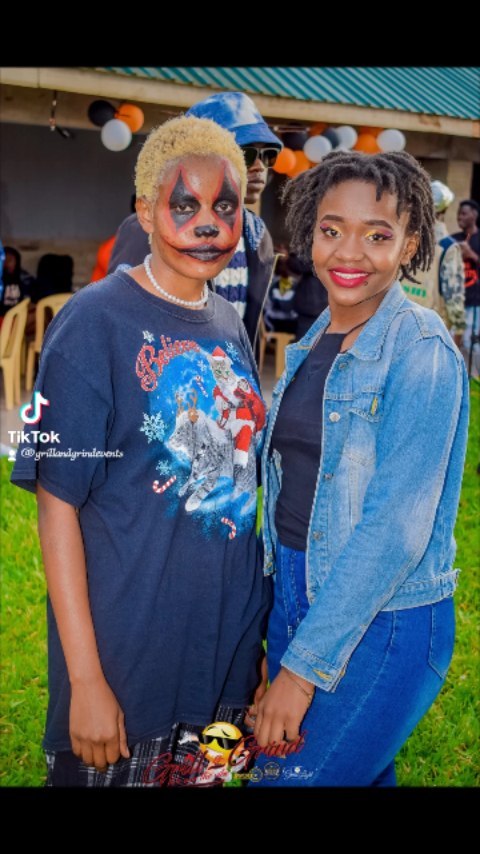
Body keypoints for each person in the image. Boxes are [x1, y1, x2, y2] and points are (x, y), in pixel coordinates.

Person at [10, 115, 271, 788]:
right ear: (146, 211)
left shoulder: (229, 324)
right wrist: (86, 679)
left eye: (225, 207)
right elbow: (56, 507)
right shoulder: (91, 322)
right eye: (185, 205)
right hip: (127, 671)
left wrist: (255, 645)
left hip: (224, 663)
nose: (207, 225)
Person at [248, 150, 469, 787]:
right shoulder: (315, 338)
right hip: (299, 600)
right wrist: (279, 630)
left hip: (384, 620)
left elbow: (395, 531)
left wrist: (300, 671)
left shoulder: (420, 350)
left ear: (410, 245)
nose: (349, 253)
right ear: (309, 234)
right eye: (331, 229)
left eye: (377, 235)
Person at [107, 92, 282, 348]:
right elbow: (117, 319)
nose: (259, 166)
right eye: (245, 153)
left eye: (268, 155)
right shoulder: (147, 226)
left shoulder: (257, 233)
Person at [400, 180, 466, 347]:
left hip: (398, 319)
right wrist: (458, 330)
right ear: (445, 210)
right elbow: (454, 294)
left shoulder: (405, 238)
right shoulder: (448, 246)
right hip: (430, 328)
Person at [452, 199, 480, 377]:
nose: (459, 217)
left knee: (471, 345)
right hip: (454, 302)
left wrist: (471, 255)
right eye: (458, 214)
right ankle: (456, 378)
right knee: (452, 342)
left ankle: (473, 382)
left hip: (475, 303)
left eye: (463, 213)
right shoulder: (454, 239)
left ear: (474, 216)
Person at [0, 246, 35, 326]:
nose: (6, 263)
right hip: (3, 317)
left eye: (10, 260)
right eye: (4, 260)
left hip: (20, 316)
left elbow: (32, 296)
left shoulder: (23, 277)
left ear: (16, 261)